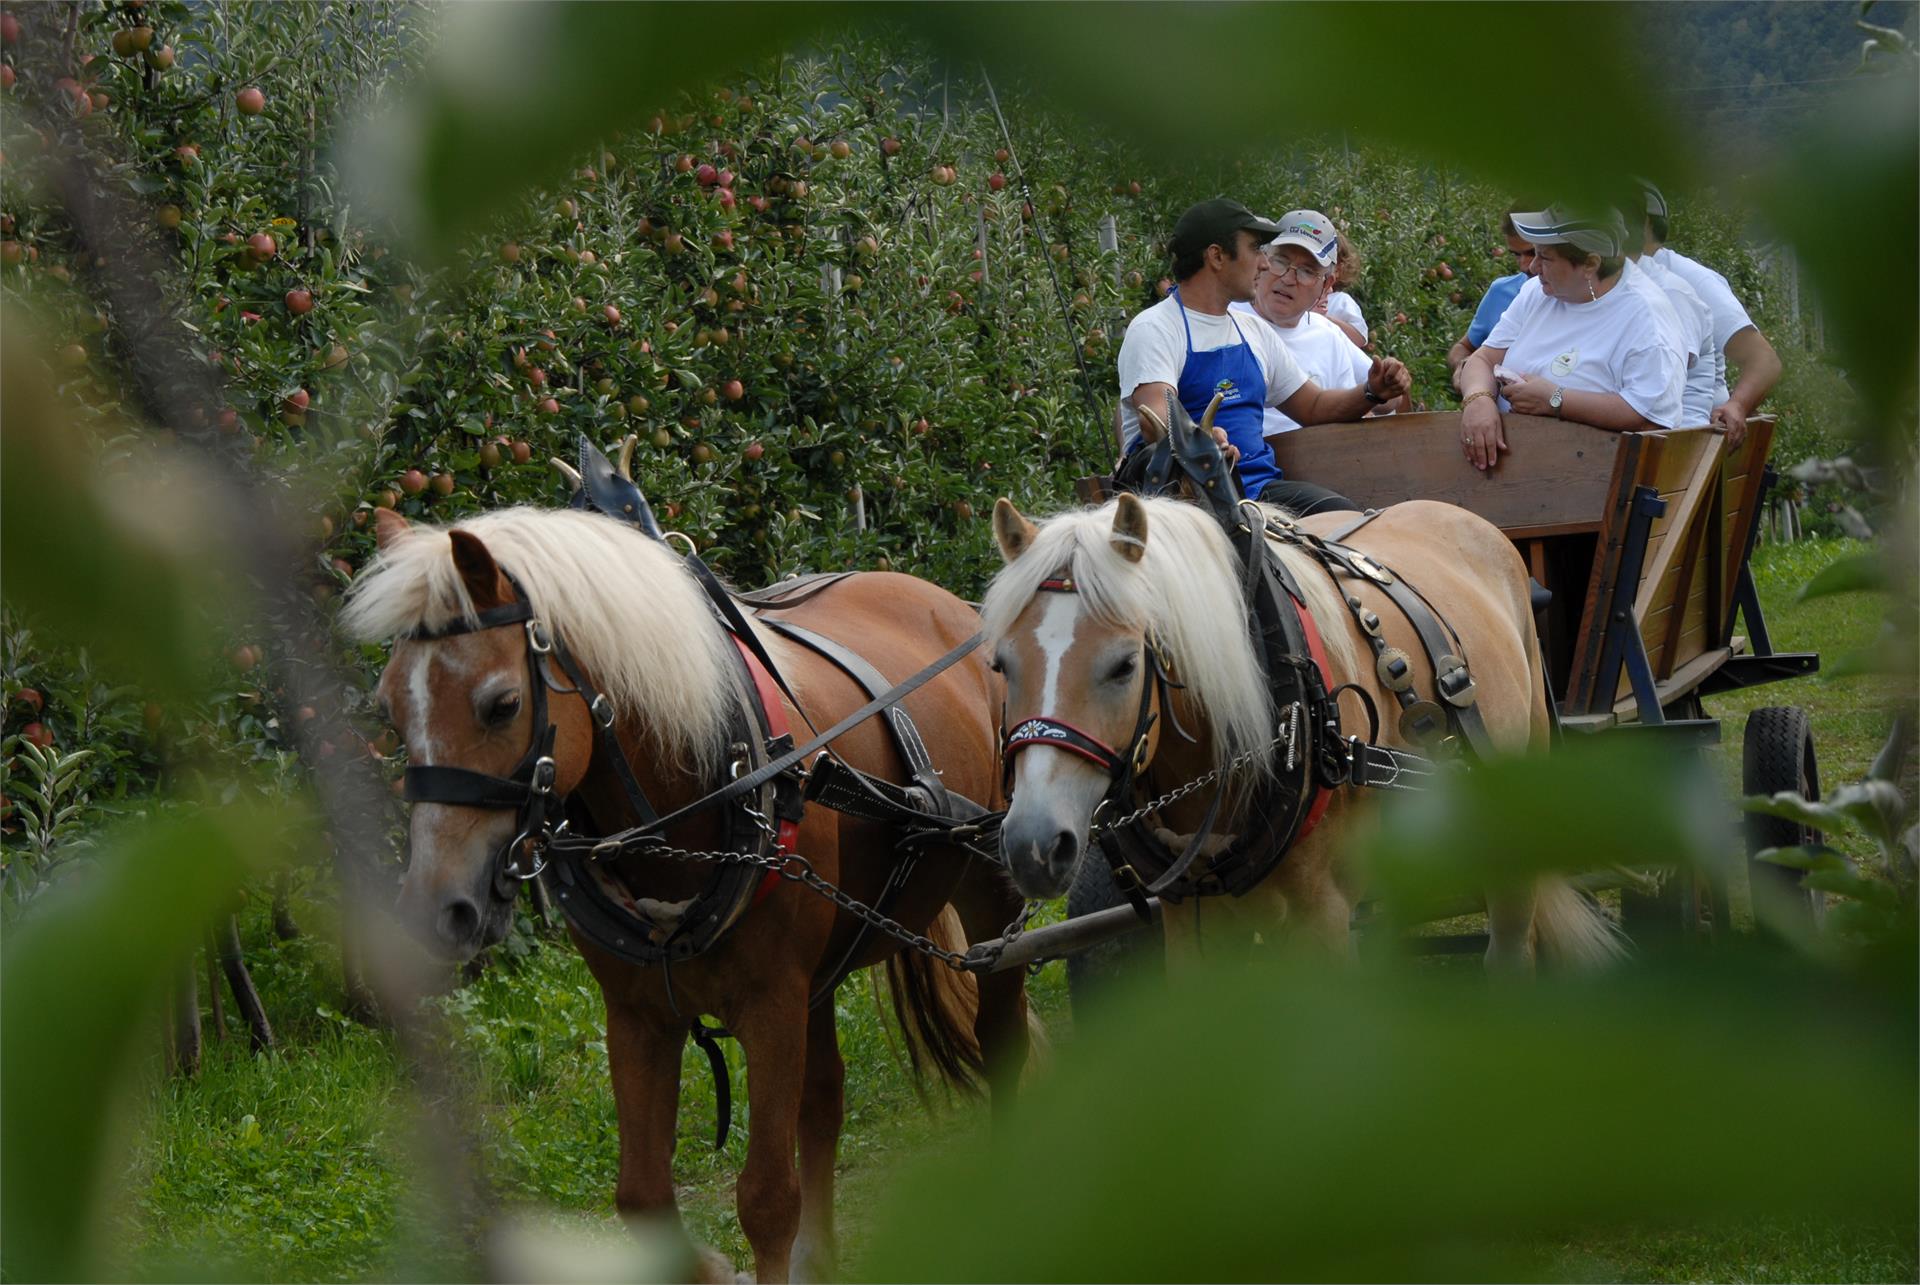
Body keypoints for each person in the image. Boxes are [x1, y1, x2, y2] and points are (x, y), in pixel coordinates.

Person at [1115, 198, 1410, 513]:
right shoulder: (1155, 328)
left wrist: (1371, 392)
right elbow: (1156, 420)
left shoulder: (1252, 331)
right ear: (1216, 256)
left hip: (1256, 492)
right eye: (1256, 249)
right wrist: (1201, 442)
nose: (1265, 264)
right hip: (1183, 501)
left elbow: (1313, 407)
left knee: (1344, 519)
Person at [1457, 205, 1687, 472]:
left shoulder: (1646, 318)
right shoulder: (1536, 292)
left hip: (1595, 480)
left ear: (1590, 264)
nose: (1532, 267)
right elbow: (1484, 358)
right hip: (1512, 469)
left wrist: (1556, 400)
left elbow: (1650, 416)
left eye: (1545, 257)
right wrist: (1479, 399)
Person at [1231, 209, 1411, 432]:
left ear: (1327, 285)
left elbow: (1387, 398)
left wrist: (1389, 384)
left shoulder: (1328, 335)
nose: (1288, 278)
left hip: (1321, 457)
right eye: (1280, 261)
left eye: (1306, 271)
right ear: (1262, 261)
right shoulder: (1226, 320)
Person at [1641, 182, 1782, 447]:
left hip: (1690, 438)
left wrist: (1737, 405)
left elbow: (1763, 360)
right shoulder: (1596, 280)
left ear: (1645, 223)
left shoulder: (1690, 280)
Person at [1614, 183, 1719, 427]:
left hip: (1676, 443)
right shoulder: (1600, 288)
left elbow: (1657, 396)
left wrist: (1556, 398)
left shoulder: (1670, 293)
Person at [1447, 208, 1541, 387]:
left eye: (1533, 252)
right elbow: (1464, 347)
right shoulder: (1501, 291)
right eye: (1516, 254)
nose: (1524, 265)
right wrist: (1464, 365)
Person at [1318, 231, 1369, 349]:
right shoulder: (1300, 297)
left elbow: (1359, 338)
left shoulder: (1341, 301)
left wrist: (1324, 320)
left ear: (1338, 269)